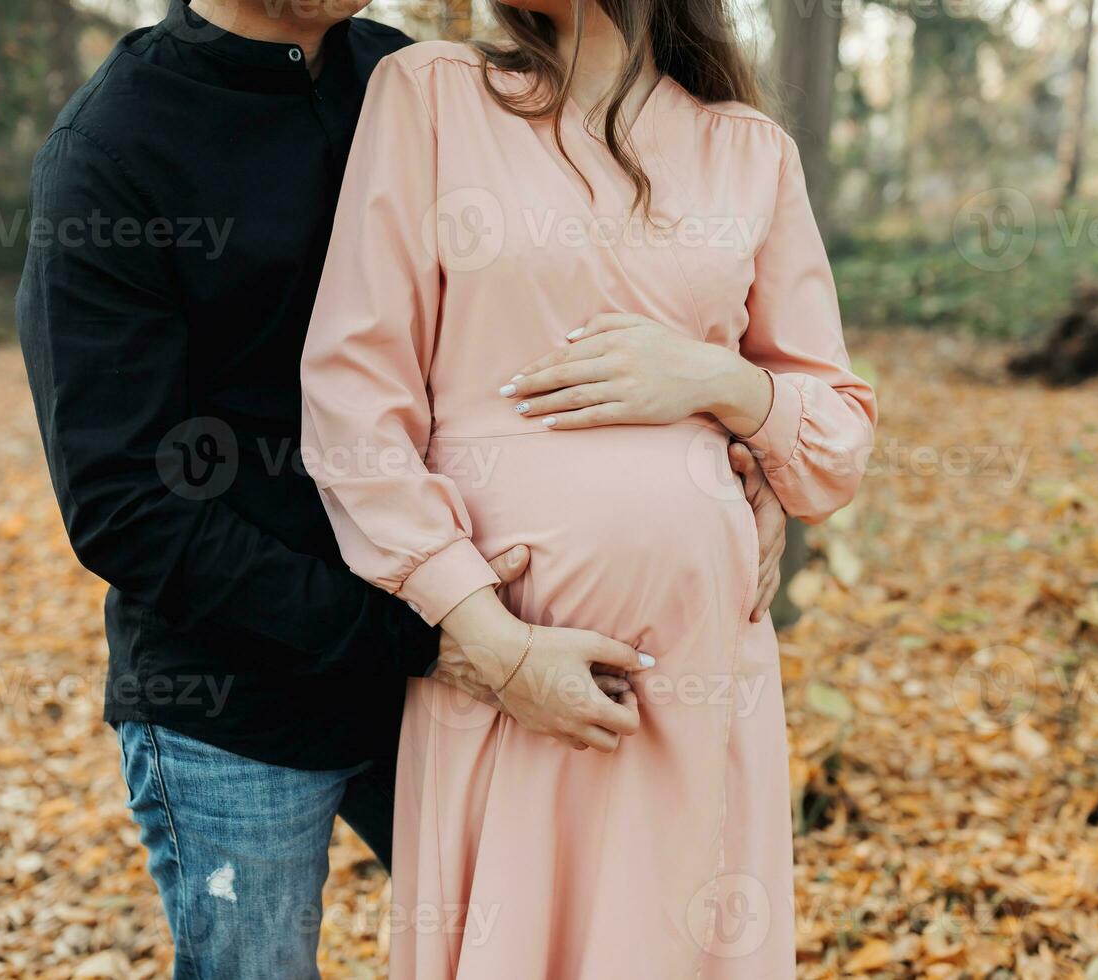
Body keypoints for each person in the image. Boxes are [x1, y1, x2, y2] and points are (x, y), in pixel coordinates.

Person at [15, 1, 788, 977]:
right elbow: (123, 505)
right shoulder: (113, 152)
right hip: (239, 699)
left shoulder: (411, 77)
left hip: (442, 666)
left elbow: (558, 296)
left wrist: (733, 449)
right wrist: (438, 633)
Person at [299, 1, 878, 976]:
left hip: (700, 676)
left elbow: (835, 443)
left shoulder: (749, 152)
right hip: (509, 661)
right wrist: (482, 631)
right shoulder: (433, 95)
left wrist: (717, 382)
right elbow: (356, 394)